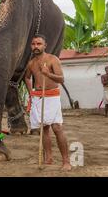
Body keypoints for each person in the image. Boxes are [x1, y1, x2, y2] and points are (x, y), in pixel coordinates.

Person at [24, 34, 71, 171]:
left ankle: (66, 161)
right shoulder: (31, 63)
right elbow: (27, 78)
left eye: (39, 44)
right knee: (44, 128)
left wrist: (48, 74)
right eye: (33, 44)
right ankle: (48, 158)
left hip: (52, 96)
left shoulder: (52, 59)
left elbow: (61, 79)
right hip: (38, 97)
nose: (36, 46)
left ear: (45, 45)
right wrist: (31, 92)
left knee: (57, 127)